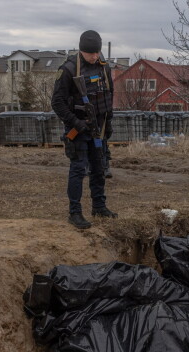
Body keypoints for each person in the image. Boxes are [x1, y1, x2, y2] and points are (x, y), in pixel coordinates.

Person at [51, 30, 117, 230]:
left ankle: (99, 206)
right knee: (78, 170)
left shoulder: (103, 68)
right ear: (81, 51)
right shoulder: (69, 69)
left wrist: (109, 123)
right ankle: (75, 212)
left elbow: (109, 94)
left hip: (99, 127)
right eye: (90, 54)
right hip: (78, 129)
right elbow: (57, 102)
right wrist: (75, 123)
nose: (94, 57)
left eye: (97, 53)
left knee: (99, 168)